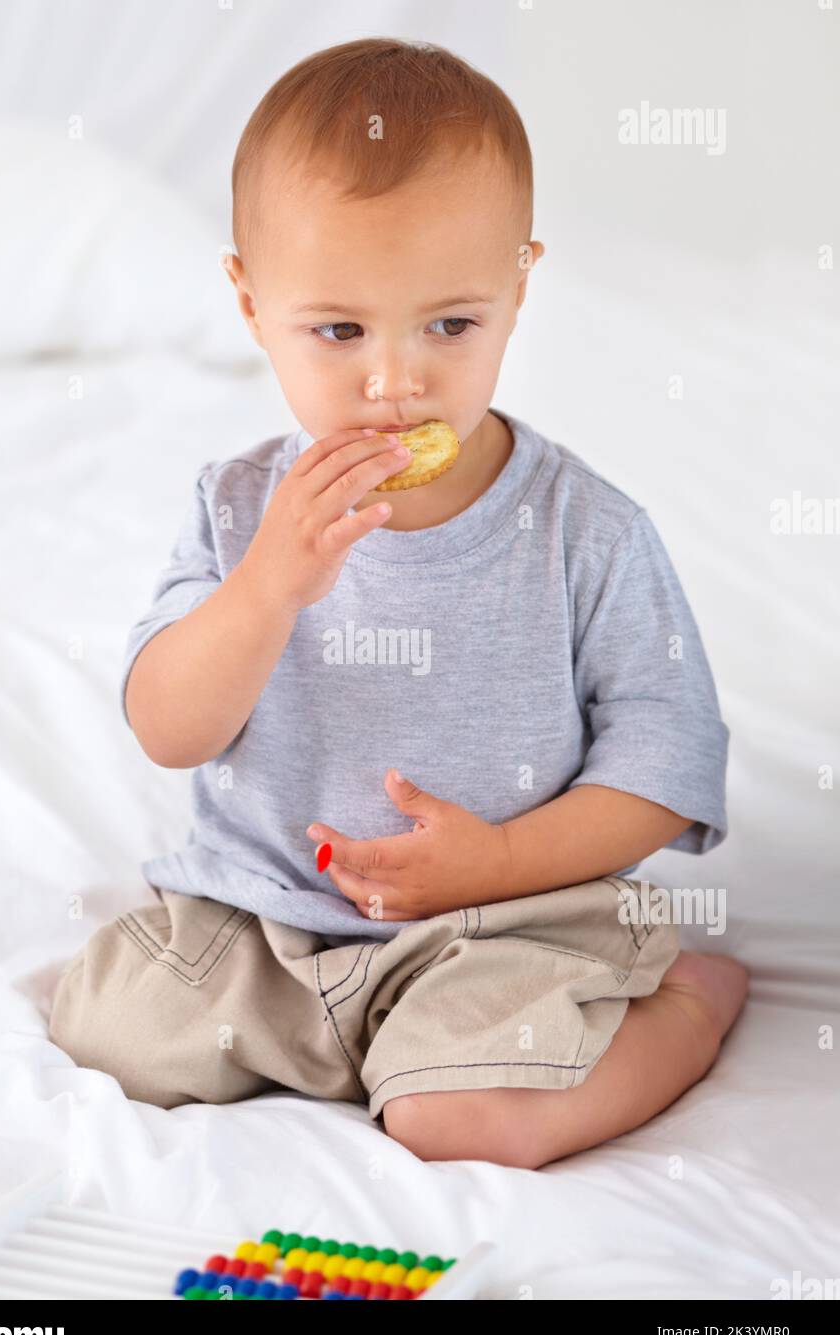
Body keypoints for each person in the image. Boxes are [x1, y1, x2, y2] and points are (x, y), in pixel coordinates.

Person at [49, 37, 748, 1169]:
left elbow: (669, 763)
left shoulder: (588, 530)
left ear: (519, 286)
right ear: (249, 301)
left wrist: (502, 860)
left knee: (456, 1121)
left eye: (451, 325)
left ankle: (689, 1011)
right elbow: (169, 727)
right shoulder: (236, 511)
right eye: (339, 331)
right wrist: (270, 585)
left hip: (506, 922)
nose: (395, 382)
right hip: (270, 920)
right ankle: (354, 1040)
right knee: (108, 1027)